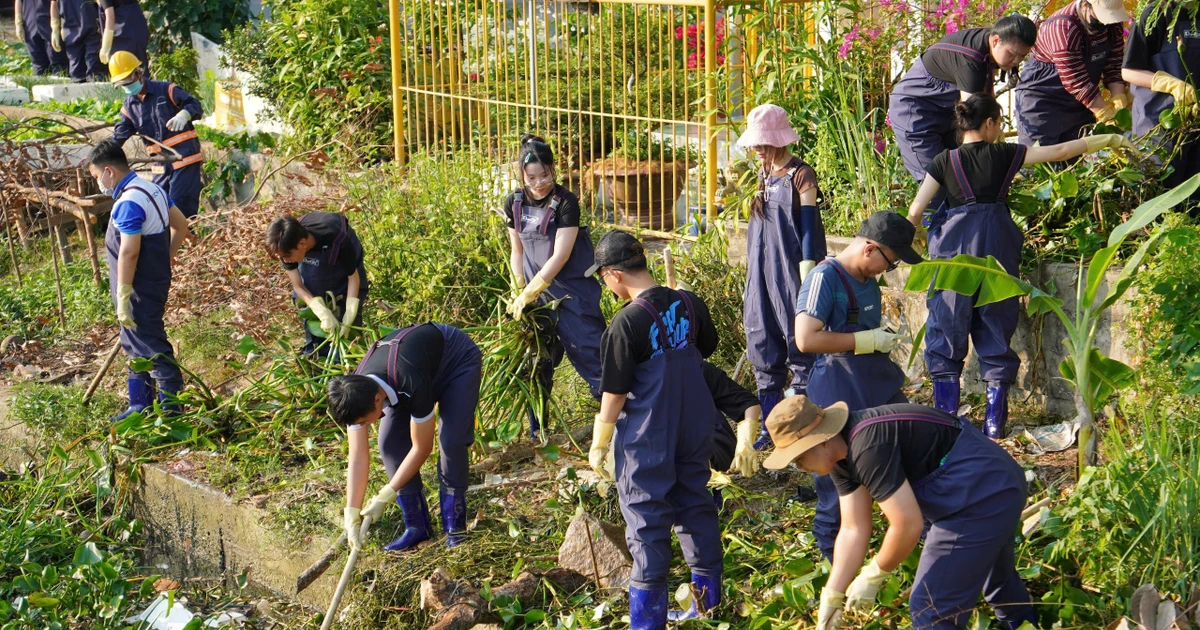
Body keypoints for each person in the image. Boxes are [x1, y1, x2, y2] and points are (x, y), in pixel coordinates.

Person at [907, 94, 1133, 438]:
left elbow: (916, 209)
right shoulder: (1005, 154)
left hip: (954, 259)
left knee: (947, 328)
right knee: (996, 327)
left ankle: (945, 426)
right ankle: (995, 426)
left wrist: (917, 236)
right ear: (991, 124)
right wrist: (1107, 139)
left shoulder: (943, 161)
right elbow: (1058, 152)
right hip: (998, 253)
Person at [762, 396, 1039, 630]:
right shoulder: (840, 455)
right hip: (993, 485)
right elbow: (853, 528)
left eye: (799, 457)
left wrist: (874, 574)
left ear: (820, 440)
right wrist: (833, 593)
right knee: (998, 584)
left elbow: (907, 524)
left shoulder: (867, 446)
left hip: (980, 498)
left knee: (929, 607)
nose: (799, 467)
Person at [585, 231, 724, 627]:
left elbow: (614, 392)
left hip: (648, 434)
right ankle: (707, 608)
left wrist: (600, 441)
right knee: (695, 503)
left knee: (646, 518)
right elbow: (704, 350)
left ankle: (648, 622)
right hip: (694, 424)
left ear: (613, 275)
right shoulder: (689, 302)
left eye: (603, 279)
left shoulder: (625, 323)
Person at [794, 211, 923, 562]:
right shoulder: (825, 278)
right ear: (869, 249)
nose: (887, 271)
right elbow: (805, 339)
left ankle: (916, 542)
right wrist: (863, 340)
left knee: (908, 450)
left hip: (876, 381)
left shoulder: (867, 278)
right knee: (839, 482)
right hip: (837, 386)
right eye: (889, 262)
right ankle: (830, 564)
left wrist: (879, 339)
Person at [327, 323, 481, 552]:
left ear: (378, 401)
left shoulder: (409, 382)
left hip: (455, 361)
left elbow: (422, 447)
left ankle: (454, 528)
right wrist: (352, 512)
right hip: (413, 369)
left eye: (363, 422)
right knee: (389, 444)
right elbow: (357, 457)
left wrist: (386, 493)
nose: (363, 426)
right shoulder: (353, 393)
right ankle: (417, 526)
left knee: (451, 441)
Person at [735, 103, 827, 451]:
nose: (757, 148)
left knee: (798, 341)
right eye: (755, 143)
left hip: (791, 271)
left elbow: (807, 225)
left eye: (763, 142)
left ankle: (802, 426)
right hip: (760, 272)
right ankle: (772, 429)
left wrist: (807, 266)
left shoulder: (800, 174)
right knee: (762, 340)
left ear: (779, 138)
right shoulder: (764, 171)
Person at [503, 134, 606, 437]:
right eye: (531, 177)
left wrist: (530, 290)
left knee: (593, 355)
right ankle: (539, 432)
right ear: (521, 175)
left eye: (544, 174)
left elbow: (560, 256)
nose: (538, 183)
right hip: (535, 296)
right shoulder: (514, 202)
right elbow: (517, 251)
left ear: (553, 169)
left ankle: (621, 420)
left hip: (571, 292)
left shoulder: (565, 202)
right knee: (537, 364)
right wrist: (519, 291)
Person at [87, 140, 191, 420]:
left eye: (97, 177)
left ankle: (171, 414)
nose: (99, 183)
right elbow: (181, 225)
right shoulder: (152, 188)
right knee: (133, 341)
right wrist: (166, 258)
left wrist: (123, 295)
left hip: (138, 288)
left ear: (109, 171)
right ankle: (140, 404)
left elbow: (129, 252)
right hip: (154, 279)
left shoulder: (128, 203)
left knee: (151, 343)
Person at [889, 15, 1037, 208]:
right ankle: (936, 235)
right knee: (937, 182)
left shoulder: (988, 47)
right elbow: (974, 123)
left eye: (1022, 57)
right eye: (1012, 54)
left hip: (944, 112)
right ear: (995, 40)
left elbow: (984, 101)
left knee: (963, 177)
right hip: (915, 113)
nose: (1016, 61)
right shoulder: (970, 61)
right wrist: (993, 157)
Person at [1014, 0, 1130, 148]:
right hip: (1041, 103)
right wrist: (1106, 116)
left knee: (1078, 163)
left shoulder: (1113, 23)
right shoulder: (1063, 27)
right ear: (1085, 5)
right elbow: (1076, 81)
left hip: (1080, 104)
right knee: (1041, 162)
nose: (1105, 23)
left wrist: (1119, 101)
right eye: (1100, 16)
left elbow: (1114, 65)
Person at [109, 52, 205, 220]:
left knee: (180, 206)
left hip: (184, 159)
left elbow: (194, 104)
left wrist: (184, 115)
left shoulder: (166, 90)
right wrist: (99, 155)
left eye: (128, 81)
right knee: (159, 205)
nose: (127, 87)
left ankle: (186, 242)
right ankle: (168, 243)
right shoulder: (130, 106)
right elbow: (119, 136)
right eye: (122, 84)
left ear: (139, 73)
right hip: (159, 166)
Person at [1122, 1, 1200, 200]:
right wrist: (1171, 84)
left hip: (1195, 124)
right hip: (1158, 123)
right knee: (1157, 193)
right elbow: (1129, 70)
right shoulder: (1155, 14)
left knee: (1192, 196)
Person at [264, 213, 368, 356]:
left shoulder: (339, 240)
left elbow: (353, 277)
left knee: (348, 340)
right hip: (306, 254)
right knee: (315, 343)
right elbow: (298, 286)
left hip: (340, 256)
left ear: (302, 245)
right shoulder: (285, 245)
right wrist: (319, 309)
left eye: (287, 257)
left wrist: (350, 312)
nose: (285, 261)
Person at [701, 361, 762, 506]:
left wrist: (746, 441)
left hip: (713, 452)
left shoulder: (696, 369)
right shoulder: (642, 380)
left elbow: (748, 403)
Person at [50, 0, 104, 82]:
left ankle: (98, 91)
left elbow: (104, 5)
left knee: (95, 71)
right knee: (76, 74)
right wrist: (55, 27)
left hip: (93, 30)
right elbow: (54, 3)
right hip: (71, 32)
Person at [15, 0, 69, 76]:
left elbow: (55, 2)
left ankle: (62, 83)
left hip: (49, 24)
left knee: (58, 63)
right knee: (38, 64)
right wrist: (18, 22)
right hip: (30, 24)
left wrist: (56, 27)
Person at [97, 0, 148, 71]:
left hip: (123, 32)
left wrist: (106, 46)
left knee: (124, 68)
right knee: (140, 66)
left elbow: (110, 16)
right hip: (137, 23)